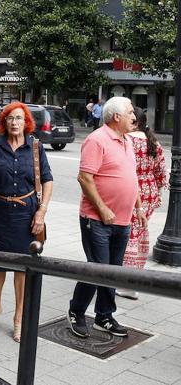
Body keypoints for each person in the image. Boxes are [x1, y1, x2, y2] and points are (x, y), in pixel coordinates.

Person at [67, 96, 147, 339]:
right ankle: (76, 311)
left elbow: (130, 178)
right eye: (131, 112)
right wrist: (102, 209)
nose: (135, 117)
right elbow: (84, 178)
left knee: (113, 271)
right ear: (116, 117)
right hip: (97, 220)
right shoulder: (96, 139)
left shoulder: (127, 141)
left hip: (122, 220)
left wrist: (139, 208)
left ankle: (104, 316)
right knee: (97, 270)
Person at [0, 102, 53, 343]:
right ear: (4, 122)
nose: (14, 122)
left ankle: (19, 318)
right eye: (10, 118)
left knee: (21, 267)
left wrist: (41, 211)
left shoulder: (36, 147)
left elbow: (48, 181)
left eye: (19, 118)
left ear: (26, 122)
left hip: (26, 214)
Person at [117, 107, 168, 300]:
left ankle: (125, 283)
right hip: (150, 193)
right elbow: (161, 173)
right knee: (140, 235)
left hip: (130, 191)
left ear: (134, 121)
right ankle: (135, 280)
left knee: (128, 235)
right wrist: (158, 193)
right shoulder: (153, 142)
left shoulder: (126, 141)